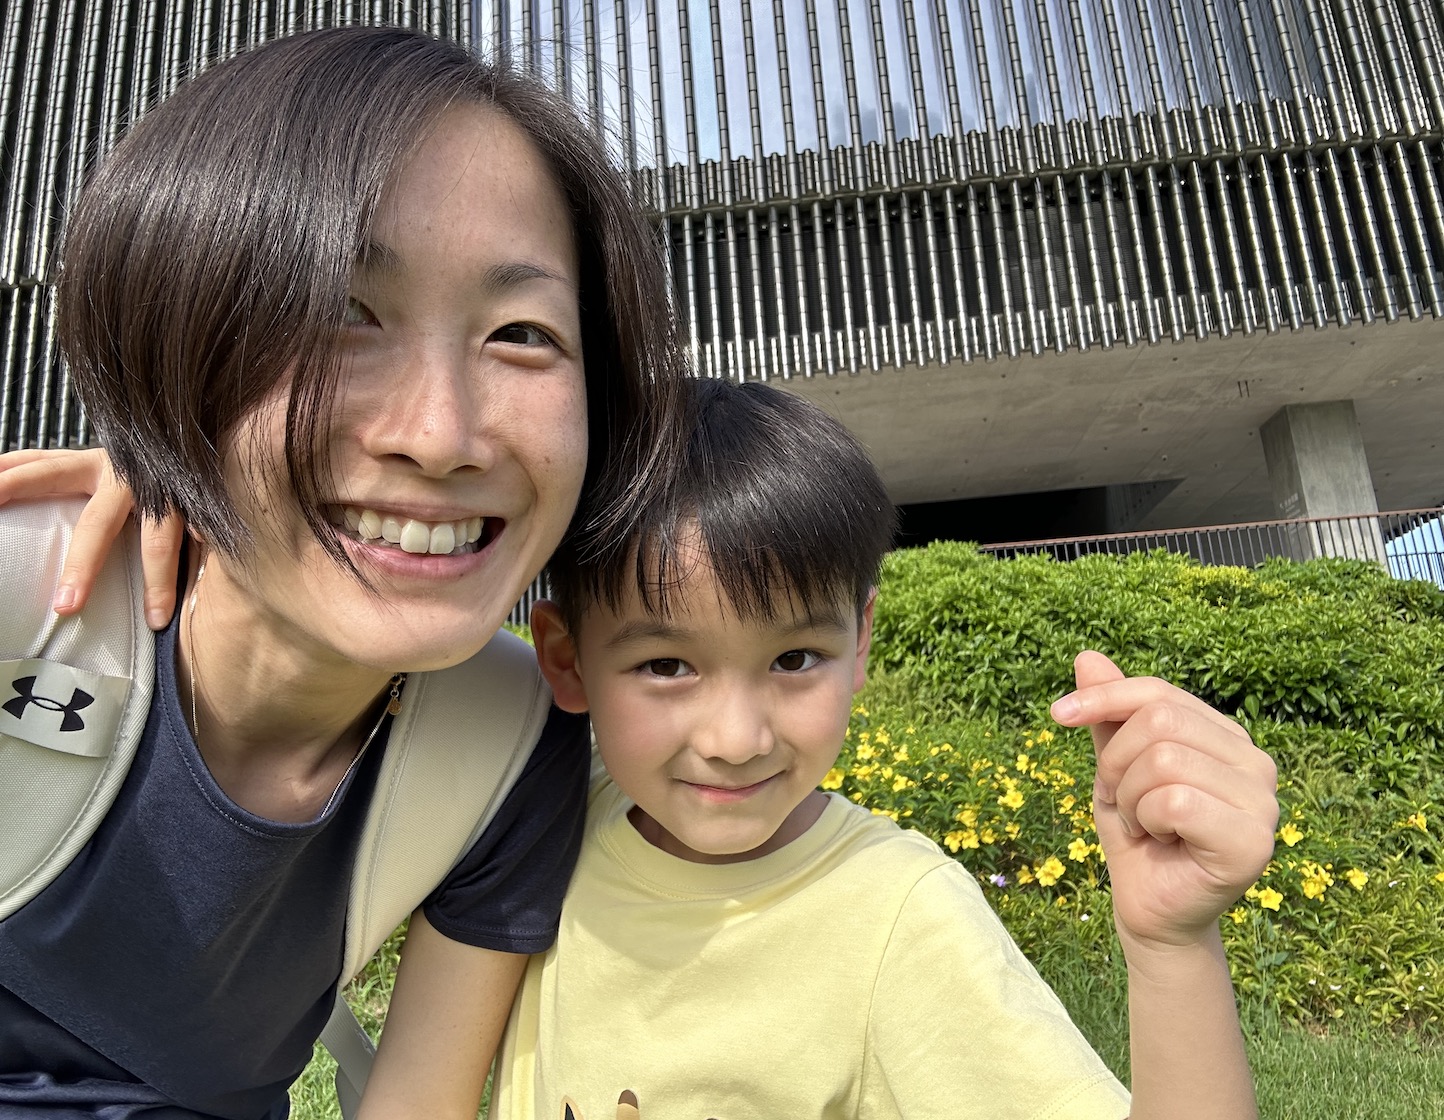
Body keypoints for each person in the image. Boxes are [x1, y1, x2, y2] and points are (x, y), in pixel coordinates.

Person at [0, 24, 684, 1120]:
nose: (443, 434)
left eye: (521, 334)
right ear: (177, 338)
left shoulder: (511, 743)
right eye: (342, 312)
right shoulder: (21, 589)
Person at [489, 377, 1278, 1119]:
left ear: (859, 641)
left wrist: (1171, 948)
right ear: (566, 659)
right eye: (666, 665)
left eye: (795, 660)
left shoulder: (900, 914)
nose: (736, 740)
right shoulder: (557, 800)